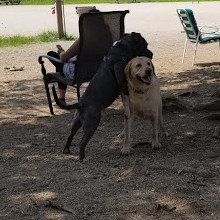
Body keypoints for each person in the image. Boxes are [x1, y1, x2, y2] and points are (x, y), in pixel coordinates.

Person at [47, 7, 99, 105]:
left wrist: (61, 52)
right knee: (62, 62)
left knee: (54, 57)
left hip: (79, 71)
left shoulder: (84, 39)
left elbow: (64, 58)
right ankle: (61, 98)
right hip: (98, 70)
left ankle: (61, 98)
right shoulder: (109, 37)